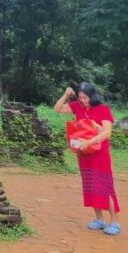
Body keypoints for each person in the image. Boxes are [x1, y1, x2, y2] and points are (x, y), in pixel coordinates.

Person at [55, 82, 121, 236]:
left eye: (86, 97)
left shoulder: (103, 109)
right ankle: (99, 220)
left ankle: (115, 222)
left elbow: (107, 133)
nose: (83, 100)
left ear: (92, 95)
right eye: (80, 97)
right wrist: (66, 95)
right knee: (91, 185)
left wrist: (89, 142)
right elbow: (57, 109)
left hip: (99, 155)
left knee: (105, 187)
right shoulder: (77, 106)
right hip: (84, 155)